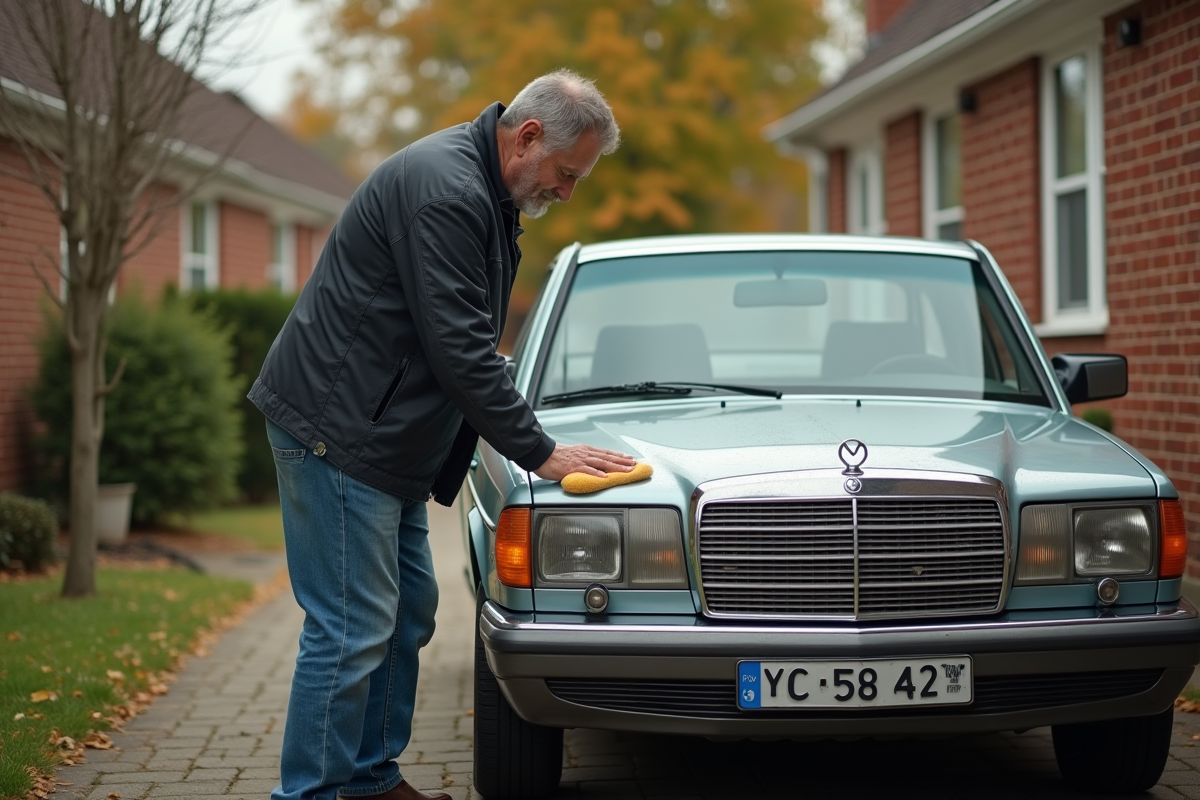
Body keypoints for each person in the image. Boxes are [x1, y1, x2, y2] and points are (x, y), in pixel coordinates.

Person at [248, 70, 635, 800]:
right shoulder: (448, 191)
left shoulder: (486, 189)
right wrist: (543, 452)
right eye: (565, 173)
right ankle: (311, 793)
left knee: (405, 614)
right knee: (350, 628)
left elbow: (461, 339)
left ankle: (369, 778)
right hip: (338, 430)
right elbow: (459, 349)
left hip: (380, 436)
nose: (567, 191)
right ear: (526, 137)